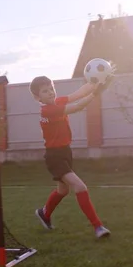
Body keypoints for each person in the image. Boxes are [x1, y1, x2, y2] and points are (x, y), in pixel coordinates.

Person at [29, 75, 112, 238]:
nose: (50, 93)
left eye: (51, 89)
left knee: (63, 190)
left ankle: (44, 213)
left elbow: (78, 93)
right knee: (80, 187)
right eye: (45, 91)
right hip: (55, 157)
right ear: (37, 97)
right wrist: (96, 94)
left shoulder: (57, 102)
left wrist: (95, 83)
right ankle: (98, 227)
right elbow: (77, 106)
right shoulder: (48, 109)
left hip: (65, 152)